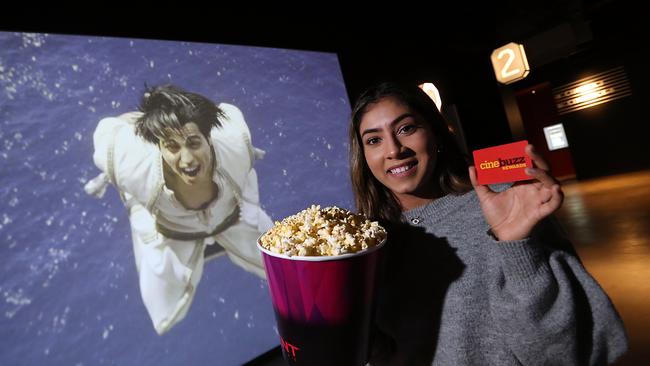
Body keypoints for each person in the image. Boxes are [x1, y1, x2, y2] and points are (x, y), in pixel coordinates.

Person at [348, 81, 628, 365]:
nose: (394, 150)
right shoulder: (361, 242)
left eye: (406, 128)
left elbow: (563, 354)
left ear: (435, 132)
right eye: (374, 140)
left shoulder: (504, 201)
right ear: (364, 157)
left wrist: (517, 245)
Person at [84, 84, 271, 335]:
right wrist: (139, 120)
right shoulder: (133, 165)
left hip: (231, 217)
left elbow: (227, 112)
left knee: (286, 266)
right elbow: (108, 132)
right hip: (172, 231)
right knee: (164, 312)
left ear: (209, 139)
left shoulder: (235, 144)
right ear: (158, 148)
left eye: (194, 143)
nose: (187, 160)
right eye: (172, 146)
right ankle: (139, 202)